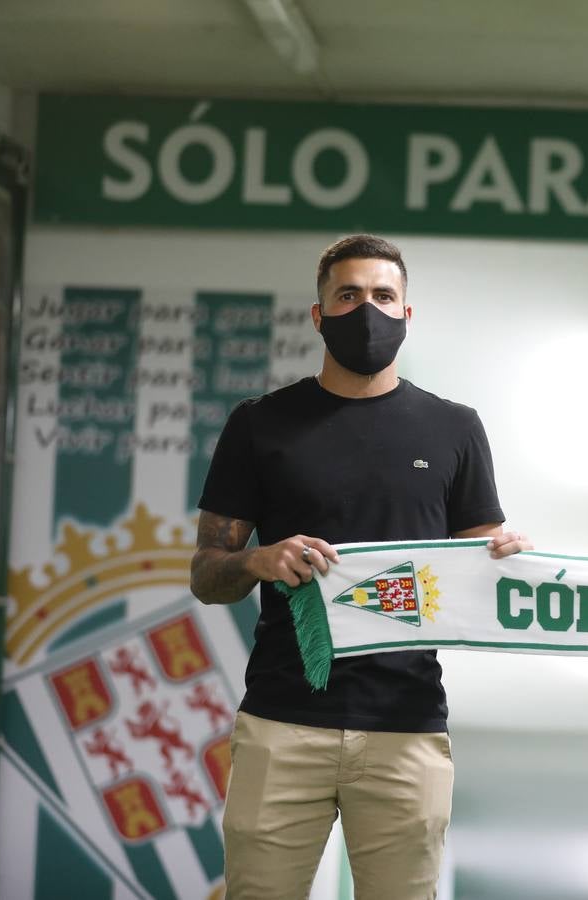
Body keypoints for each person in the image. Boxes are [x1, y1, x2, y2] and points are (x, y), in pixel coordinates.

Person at [190, 234, 529, 900]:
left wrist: (510, 557)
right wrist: (259, 558)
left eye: (383, 296)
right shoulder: (259, 425)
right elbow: (206, 574)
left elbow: (481, 559)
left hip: (407, 726)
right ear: (318, 316)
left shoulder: (454, 428)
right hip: (283, 719)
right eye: (348, 296)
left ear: (408, 315)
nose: (366, 311)